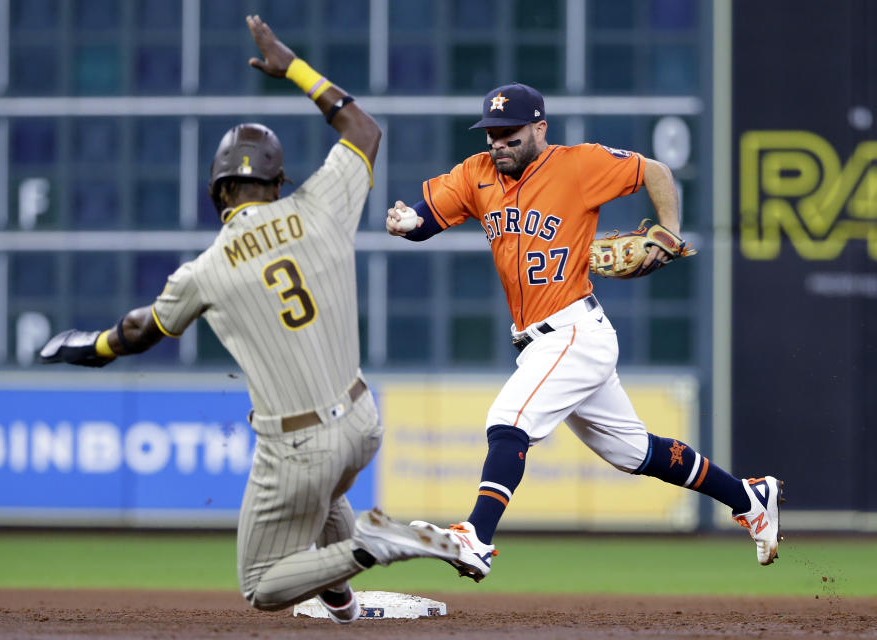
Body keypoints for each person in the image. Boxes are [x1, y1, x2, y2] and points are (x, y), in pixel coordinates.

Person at [39, 15, 459, 623]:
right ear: (276, 179)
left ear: (217, 192)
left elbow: (138, 333)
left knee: (262, 585)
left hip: (296, 444)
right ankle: (344, 607)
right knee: (326, 495)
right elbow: (364, 129)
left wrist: (92, 346)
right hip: (363, 422)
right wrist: (292, 67)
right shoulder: (321, 205)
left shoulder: (205, 269)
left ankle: (375, 544)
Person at [386, 82, 782, 582]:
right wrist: (405, 222)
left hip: (574, 330)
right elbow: (425, 220)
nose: (497, 143)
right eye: (491, 133)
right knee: (636, 453)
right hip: (537, 342)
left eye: (509, 134)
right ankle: (751, 498)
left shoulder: (580, 164)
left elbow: (654, 171)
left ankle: (477, 538)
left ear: (539, 128)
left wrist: (670, 231)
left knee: (508, 420)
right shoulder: (476, 173)